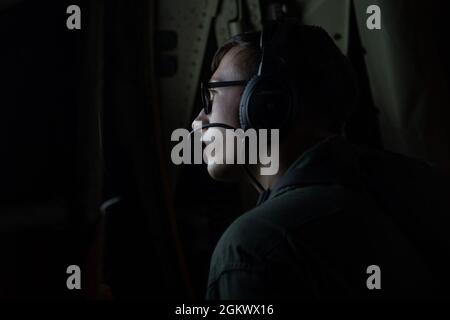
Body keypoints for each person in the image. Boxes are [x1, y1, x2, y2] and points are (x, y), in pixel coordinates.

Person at [191, 19, 450, 299]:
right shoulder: (425, 185)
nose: (197, 122)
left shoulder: (250, 248)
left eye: (212, 95)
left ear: (265, 104)